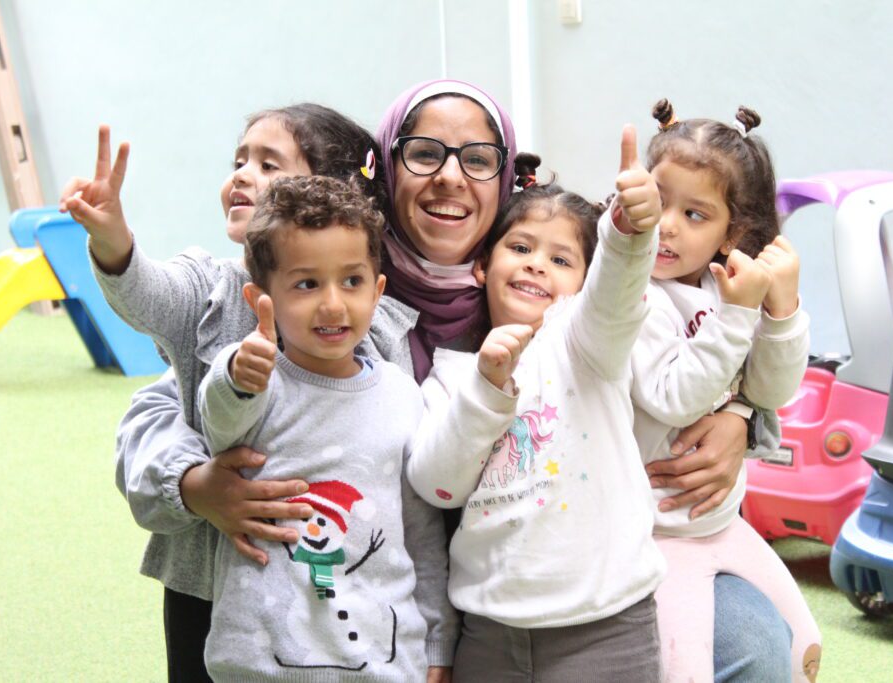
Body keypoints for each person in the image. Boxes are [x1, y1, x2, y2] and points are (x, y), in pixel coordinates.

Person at [112, 79, 791, 680]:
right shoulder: (321, 290)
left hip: (571, 574)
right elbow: (167, 405)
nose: (449, 177)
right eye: (424, 153)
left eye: (477, 159)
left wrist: (744, 413)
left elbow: (639, 318)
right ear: (381, 175)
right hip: (347, 587)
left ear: (504, 182)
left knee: (754, 646)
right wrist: (193, 484)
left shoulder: (549, 297)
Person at [59, 105, 454, 681]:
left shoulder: (379, 333)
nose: (243, 174)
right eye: (239, 160)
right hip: (212, 580)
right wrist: (115, 243)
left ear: (334, 195)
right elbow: (149, 296)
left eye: (269, 164)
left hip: (342, 606)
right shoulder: (213, 286)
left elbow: (401, 493)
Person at [406, 135, 667, 682]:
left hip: (604, 627)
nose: (537, 266)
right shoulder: (452, 375)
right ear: (482, 266)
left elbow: (617, 298)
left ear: (584, 282)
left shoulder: (587, 345)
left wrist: (629, 233)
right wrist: (487, 389)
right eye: (520, 248)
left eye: (561, 258)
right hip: (490, 632)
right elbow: (438, 486)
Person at [198, 175, 442, 679]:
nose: (333, 303)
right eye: (306, 284)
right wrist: (237, 375)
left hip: (383, 665)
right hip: (260, 666)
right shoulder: (257, 381)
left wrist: (438, 641)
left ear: (377, 292)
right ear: (258, 299)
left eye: (351, 281)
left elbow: (421, 534)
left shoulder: (401, 395)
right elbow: (220, 422)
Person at [631, 99, 820, 681]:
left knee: (803, 648)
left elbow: (771, 390)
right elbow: (673, 398)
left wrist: (781, 310)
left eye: (694, 214)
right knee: (686, 667)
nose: (667, 224)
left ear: (729, 233)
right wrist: (737, 316)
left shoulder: (725, 289)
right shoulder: (636, 294)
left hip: (722, 521)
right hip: (659, 532)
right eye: (661, 200)